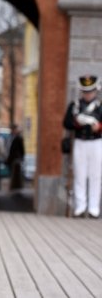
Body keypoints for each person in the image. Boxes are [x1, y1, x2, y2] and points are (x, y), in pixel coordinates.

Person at [62, 75, 102, 218]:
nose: (87, 94)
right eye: (85, 92)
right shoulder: (75, 105)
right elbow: (66, 123)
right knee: (79, 174)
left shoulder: (99, 106)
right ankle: (80, 207)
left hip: (96, 142)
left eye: (90, 91)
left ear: (95, 91)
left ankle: (93, 208)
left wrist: (98, 127)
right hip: (80, 142)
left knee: (96, 176)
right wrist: (77, 123)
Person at [7, 124, 25, 191]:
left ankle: (16, 186)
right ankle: (13, 186)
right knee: (12, 173)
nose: (12, 131)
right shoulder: (11, 137)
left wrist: (21, 157)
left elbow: (22, 150)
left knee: (16, 173)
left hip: (16, 159)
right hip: (12, 158)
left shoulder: (18, 138)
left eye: (13, 129)